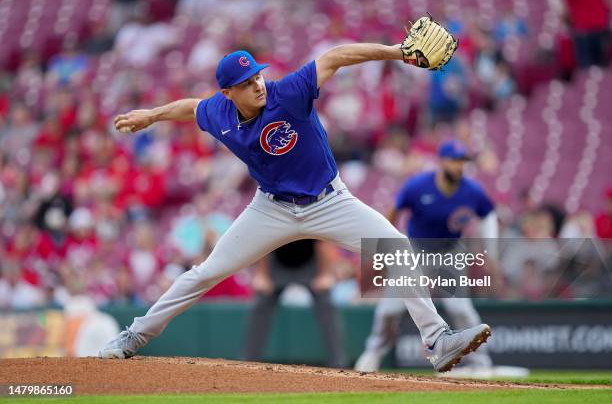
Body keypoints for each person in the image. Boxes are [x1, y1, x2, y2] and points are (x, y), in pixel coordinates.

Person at [98, 42, 491, 372]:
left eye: (256, 76)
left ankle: (437, 340)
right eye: (245, 83)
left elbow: (335, 57)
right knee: (205, 273)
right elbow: (191, 107)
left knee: (396, 248)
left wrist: (395, 52)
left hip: (329, 201)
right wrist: (152, 114)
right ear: (228, 94)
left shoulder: (287, 93)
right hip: (270, 208)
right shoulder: (218, 112)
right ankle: (135, 335)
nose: (257, 85)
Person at [355, 140, 525, 377]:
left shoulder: (472, 190)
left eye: (462, 161)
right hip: (415, 251)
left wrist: (491, 252)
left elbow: (487, 215)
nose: (459, 166)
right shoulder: (417, 186)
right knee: (389, 310)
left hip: (450, 252)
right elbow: (392, 214)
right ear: (442, 161)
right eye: (454, 160)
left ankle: (481, 362)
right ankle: (373, 352)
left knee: (461, 309)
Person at [243, 239, 347, 368]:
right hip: (277, 262)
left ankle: (338, 363)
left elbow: (323, 242)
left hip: (311, 262)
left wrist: (325, 274)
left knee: (327, 304)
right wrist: (262, 274)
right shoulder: (276, 219)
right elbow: (266, 241)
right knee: (260, 303)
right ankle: (249, 361)